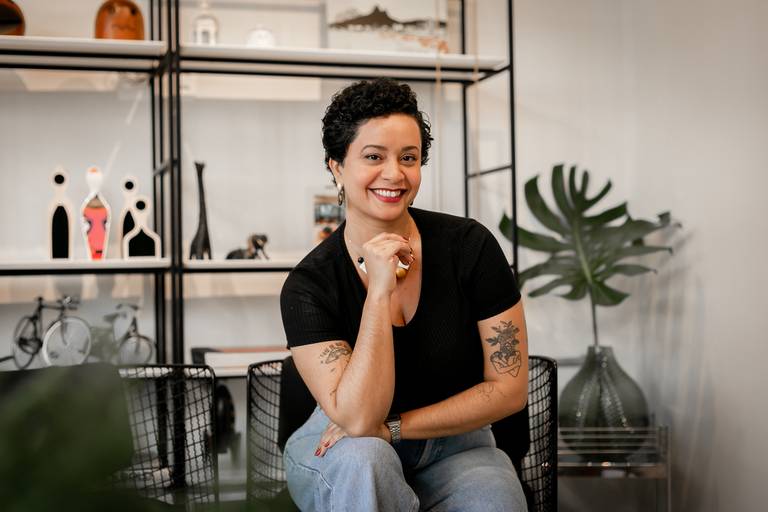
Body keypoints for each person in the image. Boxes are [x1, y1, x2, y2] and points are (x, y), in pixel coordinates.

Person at [280, 77, 529, 512]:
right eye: (374, 156)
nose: (395, 174)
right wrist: (379, 290)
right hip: (343, 444)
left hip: (456, 445)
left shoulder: (470, 248)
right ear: (337, 167)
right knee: (365, 461)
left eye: (408, 158)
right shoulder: (310, 284)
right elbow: (359, 420)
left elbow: (509, 388)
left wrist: (395, 427)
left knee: (496, 499)